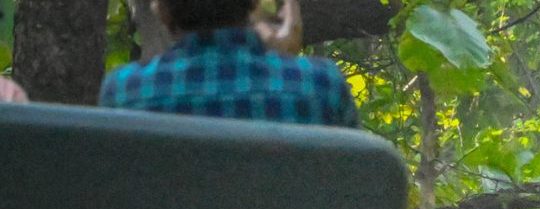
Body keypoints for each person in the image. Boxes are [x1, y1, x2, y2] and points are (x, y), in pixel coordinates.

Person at [99, 0, 355, 127]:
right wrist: (285, 66)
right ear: (254, 3)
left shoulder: (124, 94)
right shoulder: (323, 89)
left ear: (162, 10)